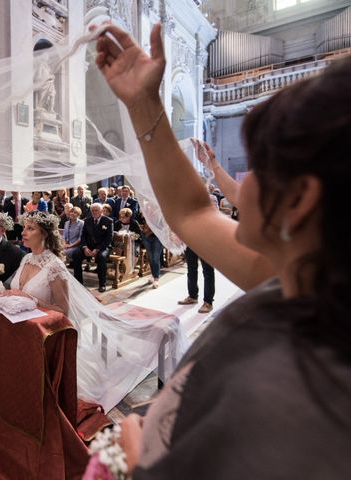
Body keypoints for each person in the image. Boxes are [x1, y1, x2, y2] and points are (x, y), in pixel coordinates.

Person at [94, 22, 351, 478]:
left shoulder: (296, 403)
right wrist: (143, 104)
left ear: (298, 200)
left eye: (257, 166)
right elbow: (193, 213)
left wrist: (135, 461)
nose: (240, 183)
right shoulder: (304, 278)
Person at [0, 211, 184, 412]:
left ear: (43, 234)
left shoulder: (54, 266)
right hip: (25, 328)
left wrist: (32, 300)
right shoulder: (26, 258)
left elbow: (63, 310)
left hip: (49, 334)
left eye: (30, 228)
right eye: (24, 227)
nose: (23, 232)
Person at [72, 203, 114, 292]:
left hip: (102, 247)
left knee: (101, 257)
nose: (94, 212)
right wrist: (84, 247)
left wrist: (97, 249)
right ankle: (78, 282)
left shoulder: (108, 221)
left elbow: (108, 239)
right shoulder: (87, 220)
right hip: (89, 246)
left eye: (96, 210)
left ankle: (102, 284)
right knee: (76, 254)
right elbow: (83, 236)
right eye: (92, 211)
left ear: (101, 211)